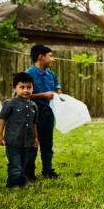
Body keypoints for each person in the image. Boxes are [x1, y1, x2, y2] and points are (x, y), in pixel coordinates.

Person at [0, 73, 39, 188]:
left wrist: (35, 137)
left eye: (29, 87)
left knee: (24, 164)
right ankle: (13, 184)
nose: (26, 90)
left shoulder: (34, 106)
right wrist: (0, 135)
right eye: (22, 87)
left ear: (33, 88)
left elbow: (34, 123)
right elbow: (2, 119)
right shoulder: (9, 103)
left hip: (27, 141)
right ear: (14, 88)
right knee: (15, 164)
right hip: (13, 141)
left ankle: (22, 181)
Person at [26, 44, 61, 180]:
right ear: (41, 57)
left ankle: (47, 170)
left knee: (47, 143)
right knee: (32, 144)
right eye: (50, 56)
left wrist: (58, 92)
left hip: (48, 114)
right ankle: (29, 173)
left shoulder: (50, 73)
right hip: (33, 115)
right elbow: (24, 95)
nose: (53, 59)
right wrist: (43, 95)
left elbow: (56, 85)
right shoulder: (29, 74)